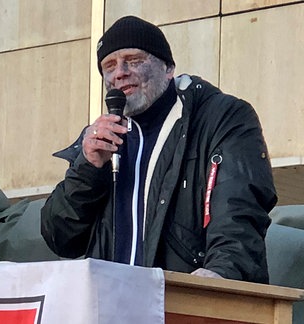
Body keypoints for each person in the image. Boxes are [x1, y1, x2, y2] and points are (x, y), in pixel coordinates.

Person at [40, 15, 277, 283]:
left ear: (168, 68)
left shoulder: (221, 118)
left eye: (134, 60)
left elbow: (238, 213)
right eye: (109, 66)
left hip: (184, 303)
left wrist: (218, 276)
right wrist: (87, 169)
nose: (120, 72)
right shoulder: (100, 142)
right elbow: (60, 237)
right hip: (109, 304)